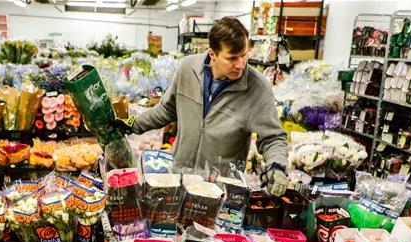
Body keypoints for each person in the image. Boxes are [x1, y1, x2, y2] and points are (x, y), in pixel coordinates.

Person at [119, 17, 289, 188]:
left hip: (220, 191)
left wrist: (277, 166)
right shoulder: (187, 69)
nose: (241, 64)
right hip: (180, 179)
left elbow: (273, 137)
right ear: (212, 54)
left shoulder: (256, 88)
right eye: (232, 58)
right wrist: (132, 125)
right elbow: (167, 110)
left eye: (244, 55)